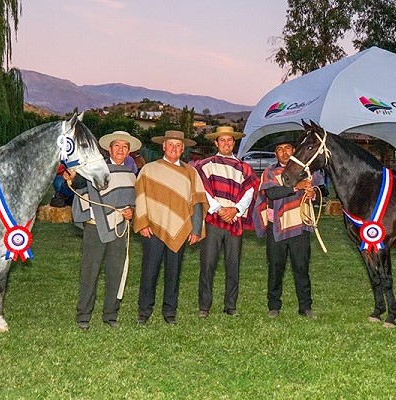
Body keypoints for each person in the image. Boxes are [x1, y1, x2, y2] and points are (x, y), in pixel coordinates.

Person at [67, 131, 141, 330]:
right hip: (95, 228)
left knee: (115, 272)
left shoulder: (130, 175)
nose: (120, 150)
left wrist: (131, 212)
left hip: (119, 229)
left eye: (125, 147)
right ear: (109, 149)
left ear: (129, 151)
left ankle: (110, 314)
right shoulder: (96, 170)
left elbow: (132, 201)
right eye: (117, 146)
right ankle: (84, 316)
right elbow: (80, 183)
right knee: (89, 273)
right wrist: (73, 178)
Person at [133, 130, 208, 325]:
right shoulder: (149, 170)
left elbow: (197, 200)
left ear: (183, 149)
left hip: (180, 229)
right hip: (152, 228)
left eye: (178, 145)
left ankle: (170, 311)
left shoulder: (191, 172)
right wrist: (143, 222)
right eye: (170, 145)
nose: (174, 148)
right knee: (150, 270)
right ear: (163, 146)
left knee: (174, 271)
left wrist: (195, 229)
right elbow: (141, 197)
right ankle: (144, 310)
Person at [195, 126, 259, 318]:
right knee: (208, 264)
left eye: (230, 140)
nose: (226, 144)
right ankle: (204, 306)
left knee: (233, 264)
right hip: (214, 220)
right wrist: (219, 209)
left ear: (234, 142)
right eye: (222, 140)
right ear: (216, 143)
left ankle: (230, 305)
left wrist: (236, 210)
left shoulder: (244, 168)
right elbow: (202, 190)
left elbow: (249, 192)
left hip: (234, 220)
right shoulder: (205, 165)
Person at [252, 136, 317, 319]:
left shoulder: (305, 171)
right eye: (280, 149)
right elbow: (272, 193)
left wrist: (312, 193)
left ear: (294, 150)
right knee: (275, 267)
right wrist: (296, 187)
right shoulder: (270, 172)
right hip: (277, 226)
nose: (284, 152)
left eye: (288, 147)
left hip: (300, 225)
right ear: (275, 154)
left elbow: (319, 193)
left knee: (301, 267)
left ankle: (305, 306)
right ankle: (274, 305)